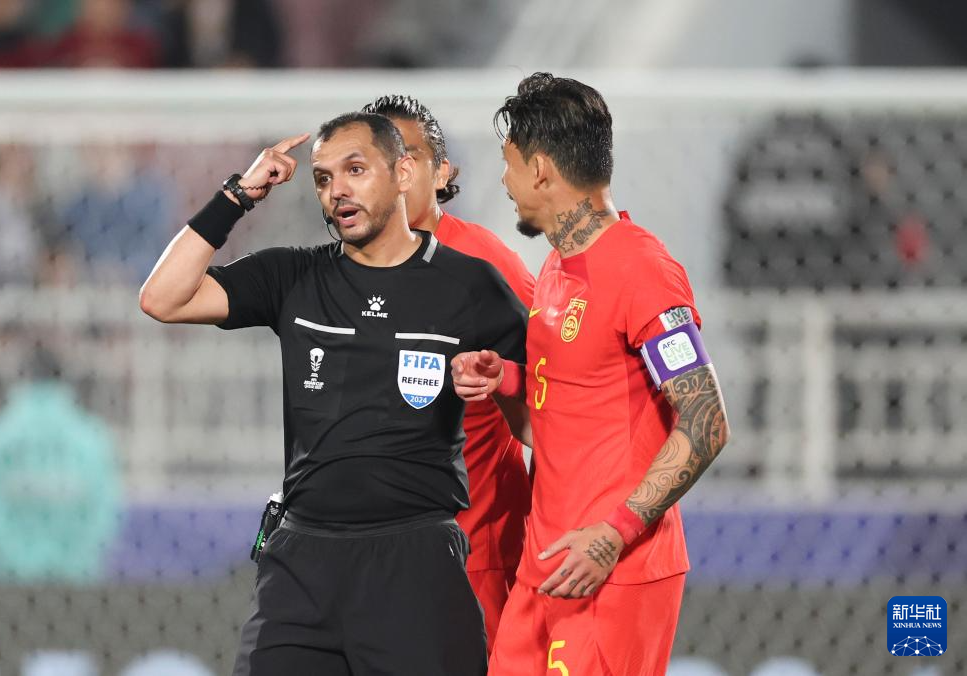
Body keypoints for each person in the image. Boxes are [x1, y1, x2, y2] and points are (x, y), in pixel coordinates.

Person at [139, 112, 528, 675]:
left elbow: (539, 420)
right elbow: (163, 298)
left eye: (355, 169)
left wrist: (503, 383)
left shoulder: (472, 286)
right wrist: (237, 196)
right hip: (301, 562)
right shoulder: (292, 276)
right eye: (323, 178)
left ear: (402, 174)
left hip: (415, 562)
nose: (337, 189)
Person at [452, 73, 731, 675]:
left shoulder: (641, 268)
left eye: (508, 164)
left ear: (540, 170)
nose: (503, 182)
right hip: (545, 563)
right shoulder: (556, 267)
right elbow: (555, 426)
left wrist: (613, 535)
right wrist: (504, 381)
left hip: (612, 570)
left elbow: (707, 420)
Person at [361, 94, 535, 655]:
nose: (394, 175)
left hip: (473, 558)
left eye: (408, 157)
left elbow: (553, 389)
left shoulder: (483, 267)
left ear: (443, 172)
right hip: (372, 560)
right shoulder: (344, 273)